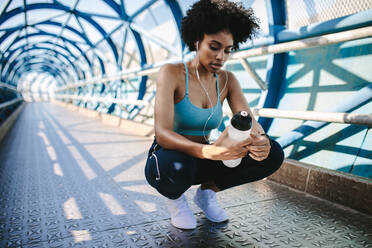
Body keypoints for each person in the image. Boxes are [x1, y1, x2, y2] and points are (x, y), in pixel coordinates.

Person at [145, 0, 284, 230]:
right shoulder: (172, 73)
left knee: (273, 153)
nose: (221, 56)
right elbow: (162, 134)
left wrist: (260, 140)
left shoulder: (228, 80)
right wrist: (210, 151)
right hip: (168, 158)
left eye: (227, 50)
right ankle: (176, 200)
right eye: (214, 46)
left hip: (206, 155)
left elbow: (249, 120)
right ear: (197, 41)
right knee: (177, 166)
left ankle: (207, 194)